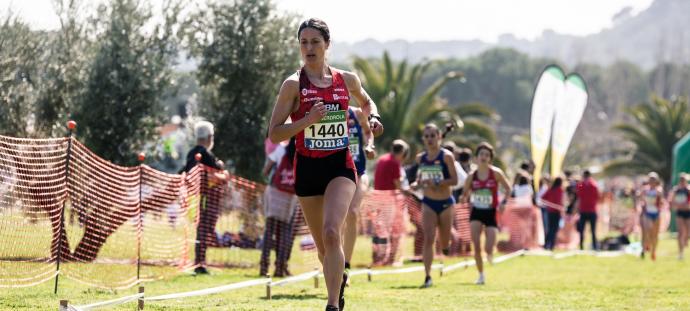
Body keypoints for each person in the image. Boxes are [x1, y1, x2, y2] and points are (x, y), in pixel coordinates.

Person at [268, 18, 383, 311]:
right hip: (307, 169)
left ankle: (332, 305)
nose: (309, 48)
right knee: (323, 249)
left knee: (334, 232)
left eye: (315, 42)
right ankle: (337, 280)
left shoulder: (347, 80)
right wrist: (306, 121)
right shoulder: (293, 85)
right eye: (304, 42)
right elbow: (275, 133)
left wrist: (374, 118)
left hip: (339, 166)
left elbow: (368, 103)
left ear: (327, 45)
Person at [412, 124, 458, 288]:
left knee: (444, 241)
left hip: (445, 203)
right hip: (428, 202)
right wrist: (416, 184)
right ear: (423, 139)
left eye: (433, 135)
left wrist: (438, 182)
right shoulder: (420, 158)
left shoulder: (447, 157)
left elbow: (455, 180)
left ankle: (446, 247)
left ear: (439, 136)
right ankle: (427, 276)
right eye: (427, 136)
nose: (430, 139)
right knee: (429, 238)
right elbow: (419, 178)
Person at [181, 120, 229, 275]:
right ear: (209, 137)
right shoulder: (206, 154)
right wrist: (223, 172)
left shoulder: (191, 153)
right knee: (204, 229)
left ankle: (200, 262)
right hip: (206, 199)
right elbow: (213, 174)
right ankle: (200, 263)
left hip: (195, 198)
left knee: (201, 229)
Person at [461, 142, 511, 285]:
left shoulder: (496, 173)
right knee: (476, 245)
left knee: (489, 248)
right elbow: (465, 193)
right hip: (476, 212)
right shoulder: (472, 176)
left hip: (491, 213)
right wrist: (463, 198)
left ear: (490, 158)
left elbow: (508, 189)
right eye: (481, 154)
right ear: (476, 157)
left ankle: (489, 254)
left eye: (487, 155)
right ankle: (481, 275)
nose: (484, 157)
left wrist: (503, 203)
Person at [343, 106, 376, 274]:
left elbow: (369, 132)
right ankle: (335, 261)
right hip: (335, 173)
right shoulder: (326, 111)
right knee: (336, 220)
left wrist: (370, 146)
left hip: (358, 172)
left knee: (353, 212)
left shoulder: (356, 113)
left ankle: (346, 266)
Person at [260, 138, 298, 277]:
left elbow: (265, 170)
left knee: (269, 230)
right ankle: (280, 268)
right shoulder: (301, 152)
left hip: (275, 190)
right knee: (285, 231)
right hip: (291, 195)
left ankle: (264, 267)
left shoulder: (280, 149)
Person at [638, 172, 666, 261]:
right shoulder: (645, 190)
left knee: (655, 234)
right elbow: (640, 198)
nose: (652, 181)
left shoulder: (659, 190)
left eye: (653, 180)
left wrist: (659, 199)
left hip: (656, 213)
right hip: (647, 213)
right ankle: (644, 247)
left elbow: (661, 201)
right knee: (647, 229)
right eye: (650, 179)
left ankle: (653, 251)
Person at [576, 170, 600, 250]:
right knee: (592, 230)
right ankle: (594, 246)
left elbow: (577, 190)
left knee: (582, 230)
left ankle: (582, 246)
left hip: (584, 210)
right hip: (591, 210)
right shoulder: (594, 184)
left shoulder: (581, 184)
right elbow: (598, 196)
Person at [670, 173, 690, 260]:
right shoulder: (676, 190)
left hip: (688, 213)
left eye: (683, 180)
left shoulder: (688, 190)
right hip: (680, 213)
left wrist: (684, 205)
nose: (682, 182)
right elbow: (672, 202)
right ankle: (680, 253)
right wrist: (679, 206)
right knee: (680, 232)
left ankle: (686, 240)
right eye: (681, 180)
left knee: (687, 232)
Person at [541, 177, 565, 250]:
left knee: (550, 229)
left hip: (550, 212)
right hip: (556, 212)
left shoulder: (550, 189)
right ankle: (551, 245)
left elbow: (543, 198)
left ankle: (546, 245)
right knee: (554, 229)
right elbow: (561, 201)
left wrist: (548, 204)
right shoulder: (560, 190)